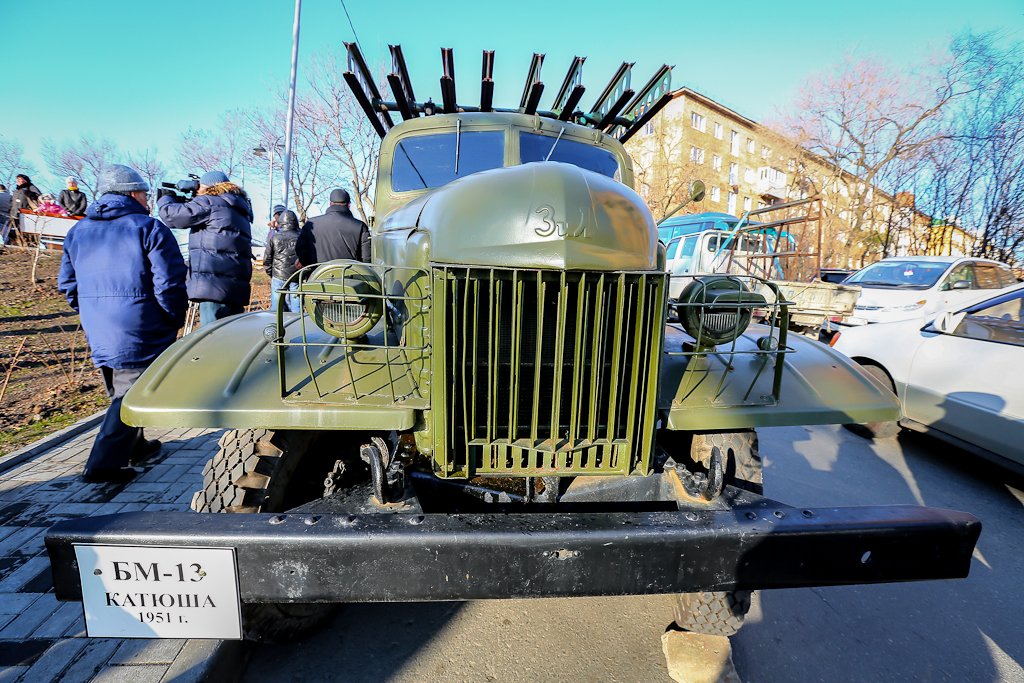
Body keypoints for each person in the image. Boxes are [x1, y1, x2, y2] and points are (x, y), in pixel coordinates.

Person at [58, 165, 187, 483]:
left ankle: (137, 445)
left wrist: (90, 310)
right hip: (140, 323)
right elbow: (169, 283)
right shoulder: (148, 228)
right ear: (132, 194)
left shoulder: (77, 231)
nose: (147, 200)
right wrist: (172, 318)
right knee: (127, 395)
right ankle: (101, 467)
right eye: (144, 194)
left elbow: (68, 284)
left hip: (98, 324)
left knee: (121, 385)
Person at [158, 170, 253, 327]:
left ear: (205, 186)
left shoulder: (210, 202)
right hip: (235, 286)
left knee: (211, 338)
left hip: (213, 285)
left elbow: (171, 215)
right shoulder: (238, 207)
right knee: (231, 336)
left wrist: (165, 198)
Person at [295, 188, 370, 267]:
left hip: (318, 276)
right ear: (348, 205)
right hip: (350, 276)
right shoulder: (360, 226)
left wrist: (311, 268)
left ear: (330, 204)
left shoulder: (311, 224)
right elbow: (366, 258)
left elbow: (301, 250)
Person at [263, 210, 301, 312]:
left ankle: (274, 327)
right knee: (296, 309)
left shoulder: (274, 237)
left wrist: (272, 273)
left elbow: (267, 259)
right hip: (295, 277)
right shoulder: (301, 237)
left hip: (278, 276)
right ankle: (297, 327)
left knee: (276, 309)